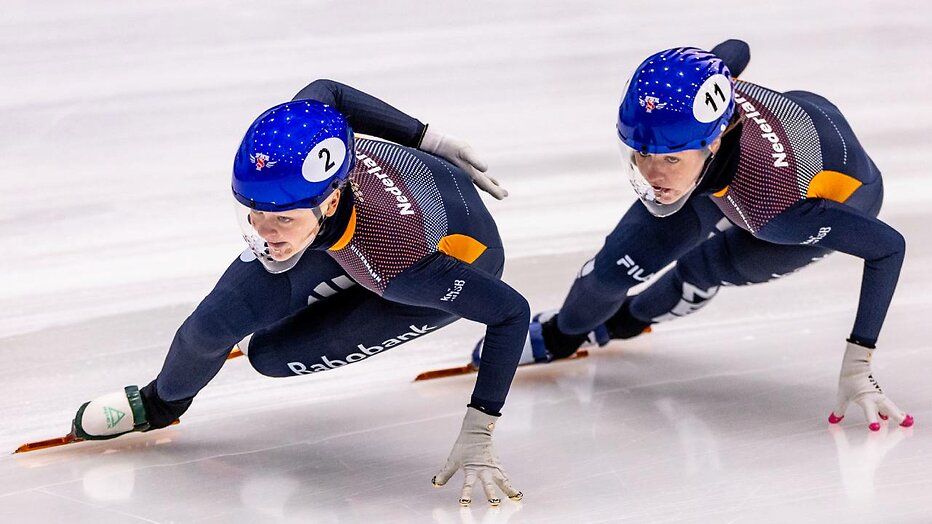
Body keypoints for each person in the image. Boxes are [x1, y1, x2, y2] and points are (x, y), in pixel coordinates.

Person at [70, 80, 527, 506]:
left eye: (281, 219)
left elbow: (510, 312)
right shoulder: (301, 149)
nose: (265, 232)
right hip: (363, 211)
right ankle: (159, 404)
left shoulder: (398, 262)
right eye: (253, 212)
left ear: (328, 201)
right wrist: (428, 138)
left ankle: (313, 296)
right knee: (210, 328)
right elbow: (329, 91)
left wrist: (480, 426)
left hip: (442, 255)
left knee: (271, 355)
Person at [474, 40, 913, 432]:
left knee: (704, 267)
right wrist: (676, 160)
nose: (652, 174)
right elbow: (734, 49)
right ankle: (563, 334)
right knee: (612, 269)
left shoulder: (776, 209)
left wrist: (859, 360)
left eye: (669, 160)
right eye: (641, 152)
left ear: (714, 141)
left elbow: (889, 248)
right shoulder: (696, 97)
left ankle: (625, 324)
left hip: (832, 194)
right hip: (732, 162)